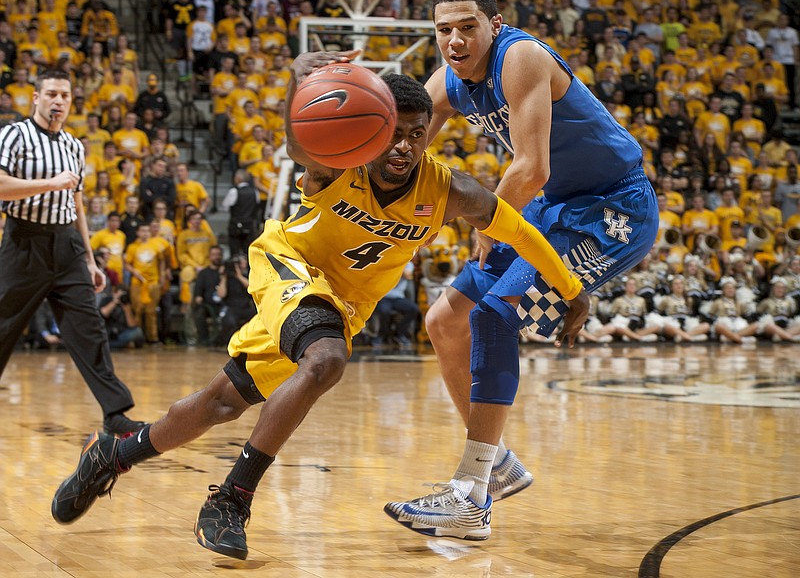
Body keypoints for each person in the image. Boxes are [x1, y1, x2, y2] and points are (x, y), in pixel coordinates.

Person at [50, 52, 588, 561]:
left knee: (221, 403)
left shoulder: (450, 191)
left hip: (343, 304)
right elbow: (297, 145)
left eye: (415, 134)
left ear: (428, 134)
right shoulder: (338, 162)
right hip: (288, 266)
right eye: (393, 132)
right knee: (327, 359)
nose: (403, 145)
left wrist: (571, 288)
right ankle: (232, 498)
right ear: (373, 130)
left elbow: (520, 232)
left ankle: (113, 455)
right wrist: (297, 85)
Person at [384, 0, 658, 540]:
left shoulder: (522, 56)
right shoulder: (449, 80)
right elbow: (403, 141)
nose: (455, 41)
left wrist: (489, 222)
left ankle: (469, 496)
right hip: (554, 206)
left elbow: (532, 167)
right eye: (443, 30)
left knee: (495, 315)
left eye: (467, 27)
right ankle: (499, 466)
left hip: (614, 207)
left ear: (495, 24)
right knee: (444, 319)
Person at [0, 69, 144, 435]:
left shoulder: (74, 145)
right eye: (51, 94)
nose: (58, 101)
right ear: (36, 98)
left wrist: (90, 259)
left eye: (64, 95)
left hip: (67, 245)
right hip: (24, 244)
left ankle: (115, 413)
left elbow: (76, 204)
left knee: (89, 328)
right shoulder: (14, 135)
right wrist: (50, 183)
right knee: (3, 327)